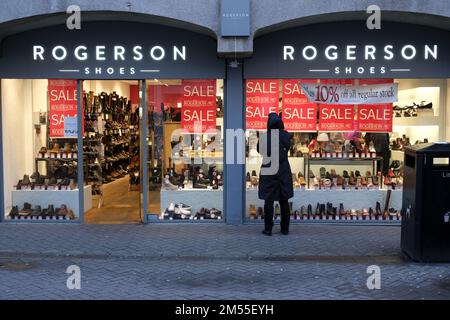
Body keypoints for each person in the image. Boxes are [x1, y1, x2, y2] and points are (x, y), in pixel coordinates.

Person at [257, 113, 293, 236]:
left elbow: (259, 150)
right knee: (284, 200)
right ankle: (285, 229)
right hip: (283, 169)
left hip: (268, 170)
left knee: (269, 201)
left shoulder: (264, 136)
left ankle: (268, 229)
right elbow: (288, 147)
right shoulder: (286, 135)